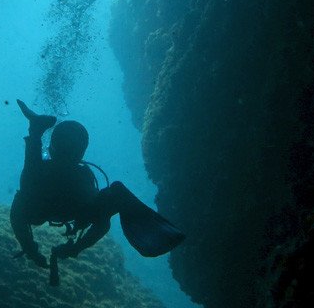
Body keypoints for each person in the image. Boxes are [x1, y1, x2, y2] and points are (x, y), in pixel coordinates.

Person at [10, 99, 185, 281]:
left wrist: (31, 249)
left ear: (51, 148)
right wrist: (75, 248)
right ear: (81, 153)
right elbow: (101, 221)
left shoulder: (42, 174)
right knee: (113, 193)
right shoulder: (83, 175)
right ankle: (36, 130)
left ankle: (36, 130)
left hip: (43, 202)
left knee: (29, 187)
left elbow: (18, 213)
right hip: (69, 205)